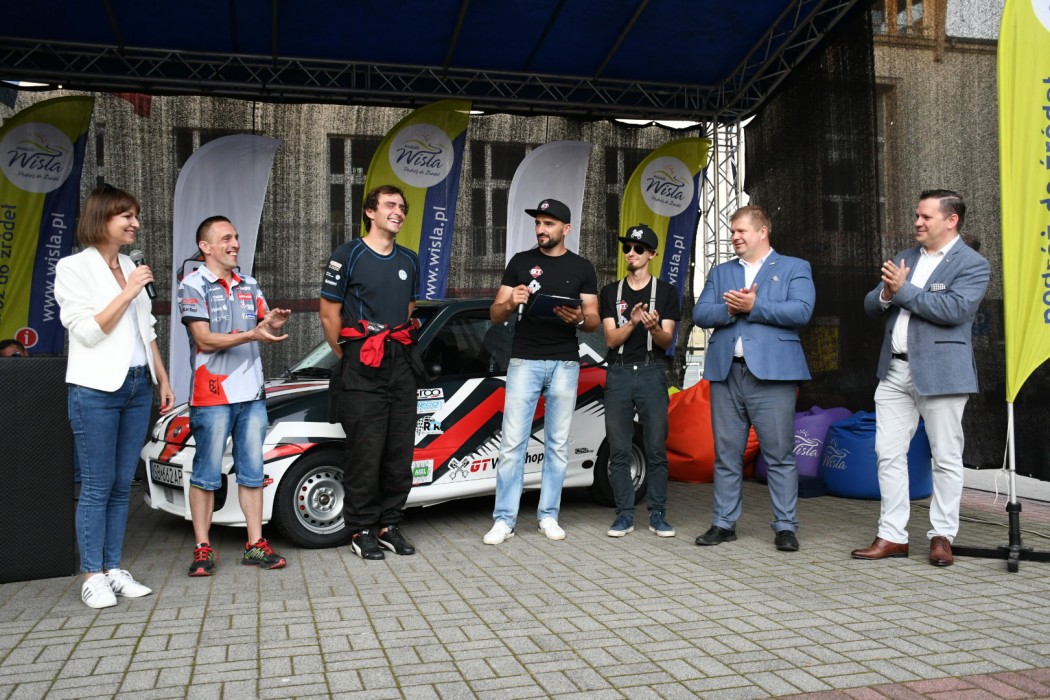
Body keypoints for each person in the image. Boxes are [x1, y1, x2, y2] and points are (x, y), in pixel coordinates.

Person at [851, 189, 989, 567]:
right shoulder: (906, 257)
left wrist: (902, 291)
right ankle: (892, 535)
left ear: (951, 220)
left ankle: (942, 536)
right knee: (888, 454)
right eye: (917, 215)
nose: (917, 222)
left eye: (926, 216)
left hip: (943, 373)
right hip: (894, 370)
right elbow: (871, 304)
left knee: (945, 457)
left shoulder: (972, 264)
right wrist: (885, 293)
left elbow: (954, 310)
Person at [54, 185, 175, 609]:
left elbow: (147, 330)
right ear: (102, 217)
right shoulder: (73, 268)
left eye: (135, 215)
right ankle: (92, 575)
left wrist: (162, 378)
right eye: (126, 215)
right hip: (95, 390)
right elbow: (88, 332)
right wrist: (127, 292)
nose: (135, 223)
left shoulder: (130, 264)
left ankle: (112, 567)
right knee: (97, 485)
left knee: (123, 484)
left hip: (138, 385)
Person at [692, 204, 814, 552]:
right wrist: (731, 309)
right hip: (727, 373)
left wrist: (754, 307)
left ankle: (785, 527)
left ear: (762, 232)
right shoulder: (721, 272)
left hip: (774, 375)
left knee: (779, 455)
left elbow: (802, 310)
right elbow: (701, 313)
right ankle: (723, 523)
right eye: (732, 231)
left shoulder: (794, 267)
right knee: (726, 455)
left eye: (741, 231)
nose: (734, 237)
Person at [179, 216, 291, 576]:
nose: (235, 244)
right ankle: (202, 548)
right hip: (211, 396)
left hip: (252, 395)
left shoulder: (250, 283)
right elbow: (204, 339)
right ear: (205, 247)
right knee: (206, 474)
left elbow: (263, 323)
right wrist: (253, 334)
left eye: (237, 237)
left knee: (252, 472)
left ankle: (255, 544)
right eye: (226, 238)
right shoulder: (192, 284)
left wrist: (273, 321)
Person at [483, 198, 599, 545]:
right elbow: (495, 315)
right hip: (524, 360)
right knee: (512, 445)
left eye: (548, 223)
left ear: (566, 229)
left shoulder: (582, 267)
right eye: (538, 223)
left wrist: (578, 318)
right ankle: (504, 520)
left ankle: (549, 516)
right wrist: (511, 301)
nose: (541, 229)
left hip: (565, 362)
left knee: (558, 445)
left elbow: (593, 320)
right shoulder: (520, 262)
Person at [319, 185, 421, 561]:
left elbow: (409, 309)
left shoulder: (410, 259)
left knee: (399, 451)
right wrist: (348, 354)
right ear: (370, 212)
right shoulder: (348, 255)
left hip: (400, 362)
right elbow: (328, 314)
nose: (398, 211)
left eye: (402, 207)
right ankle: (361, 529)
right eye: (390, 205)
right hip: (362, 362)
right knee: (366, 451)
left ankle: (389, 524)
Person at [600, 224, 680, 538]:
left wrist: (654, 328)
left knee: (655, 447)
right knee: (619, 448)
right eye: (627, 248)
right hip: (619, 372)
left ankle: (658, 514)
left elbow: (666, 341)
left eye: (638, 248)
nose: (631, 253)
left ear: (652, 254)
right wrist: (633, 322)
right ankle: (624, 515)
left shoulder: (666, 292)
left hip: (651, 371)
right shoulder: (611, 292)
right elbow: (610, 339)